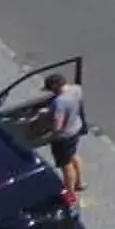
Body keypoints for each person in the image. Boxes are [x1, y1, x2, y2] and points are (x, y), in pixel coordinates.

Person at [43, 71, 84, 206]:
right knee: (74, 155)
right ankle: (80, 182)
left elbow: (58, 125)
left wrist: (48, 132)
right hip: (76, 128)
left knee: (66, 165)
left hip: (64, 136)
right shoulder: (77, 89)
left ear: (55, 87)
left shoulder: (59, 102)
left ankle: (69, 194)